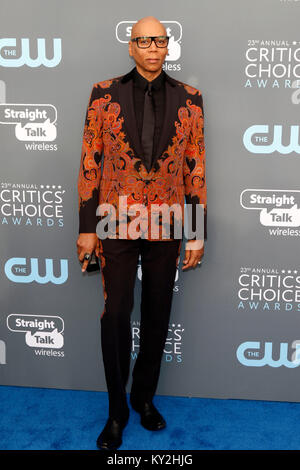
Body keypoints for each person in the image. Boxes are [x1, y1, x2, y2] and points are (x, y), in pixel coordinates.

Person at [76, 16, 207, 450]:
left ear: (169, 46)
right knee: (115, 316)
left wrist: (197, 231)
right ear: (130, 48)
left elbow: (196, 169)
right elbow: (89, 162)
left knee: (157, 314)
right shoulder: (103, 94)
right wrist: (86, 229)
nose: (152, 47)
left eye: (159, 40)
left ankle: (144, 399)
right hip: (115, 221)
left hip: (169, 223)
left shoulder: (190, 99)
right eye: (143, 40)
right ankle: (117, 412)